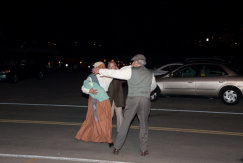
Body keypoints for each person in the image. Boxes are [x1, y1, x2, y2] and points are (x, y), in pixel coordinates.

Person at [92, 54, 157, 156]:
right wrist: (145, 92)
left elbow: (115, 73)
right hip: (145, 100)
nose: (132, 63)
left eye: (133, 62)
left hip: (132, 99)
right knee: (144, 124)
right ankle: (143, 150)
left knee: (125, 123)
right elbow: (153, 86)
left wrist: (99, 71)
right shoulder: (150, 73)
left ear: (136, 62)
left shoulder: (130, 70)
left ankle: (117, 148)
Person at [75, 61, 114, 147]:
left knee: (105, 119)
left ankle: (104, 137)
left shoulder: (108, 76)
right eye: (100, 66)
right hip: (94, 100)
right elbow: (83, 88)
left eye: (103, 66)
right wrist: (89, 90)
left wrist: (113, 68)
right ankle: (105, 138)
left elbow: (117, 74)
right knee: (94, 119)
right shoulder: (92, 76)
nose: (102, 68)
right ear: (96, 67)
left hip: (104, 100)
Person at [107, 61, 125, 132]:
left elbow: (124, 80)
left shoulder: (119, 74)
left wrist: (119, 72)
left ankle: (120, 131)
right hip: (109, 98)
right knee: (109, 115)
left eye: (112, 66)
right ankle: (107, 130)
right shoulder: (106, 75)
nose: (111, 68)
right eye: (109, 66)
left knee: (120, 115)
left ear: (115, 67)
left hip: (118, 98)